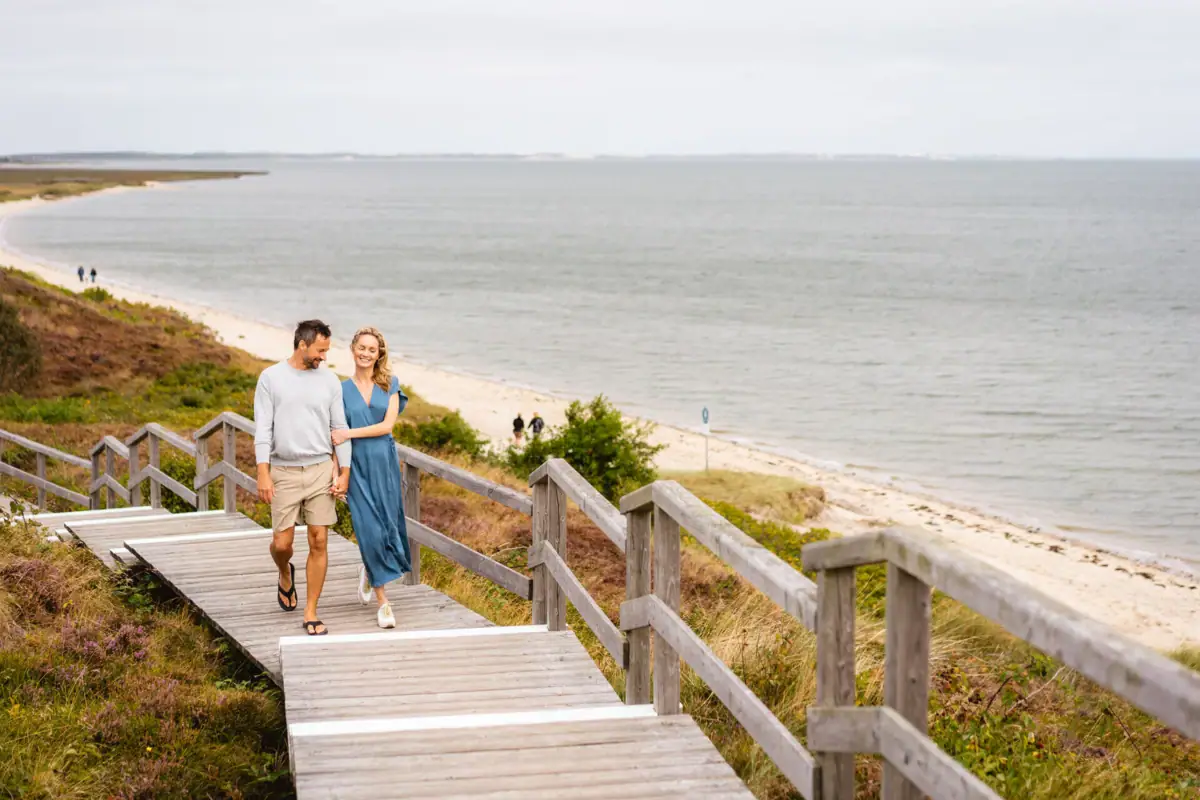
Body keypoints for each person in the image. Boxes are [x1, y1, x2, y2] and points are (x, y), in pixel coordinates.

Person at [254, 319, 352, 636]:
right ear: (302, 345)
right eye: (320, 350)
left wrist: (344, 472)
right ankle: (285, 572)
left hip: (321, 468)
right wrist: (263, 472)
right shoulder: (271, 378)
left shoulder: (330, 382)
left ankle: (311, 611)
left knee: (319, 539)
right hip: (282, 470)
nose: (323, 357)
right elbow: (262, 431)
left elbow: (340, 431)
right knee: (282, 544)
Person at [331, 326, 412, 629]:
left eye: (372, 349)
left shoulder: (390, 383)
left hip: (385, 463)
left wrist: (347, 432)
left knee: (388, 526)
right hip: (356, 466)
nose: (366, 353)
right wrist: (338, 473)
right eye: (361, 347)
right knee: (368, 529)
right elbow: (332, 439)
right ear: (353, 349)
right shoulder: (340, 390)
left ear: (379, 354)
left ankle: (370, 569)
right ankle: (384, 603)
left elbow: (387, 426)